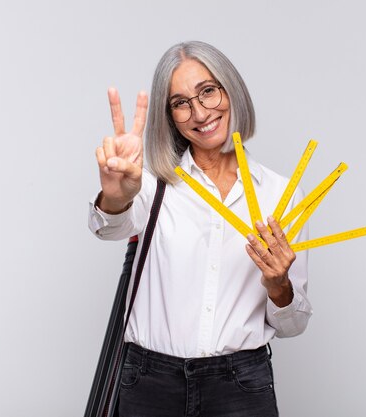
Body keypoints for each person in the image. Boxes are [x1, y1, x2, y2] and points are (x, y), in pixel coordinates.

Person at [89, 40, 313, 417]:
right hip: (149, 382)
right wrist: (115, 196)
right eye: (180, 102)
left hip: (240, 386)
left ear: (231, 90)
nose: (199, 112)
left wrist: (280, 286)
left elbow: (293, 324)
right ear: (170, 115)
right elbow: (108, 228)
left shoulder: (280, 195)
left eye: (207, 91)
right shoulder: (151, 185)